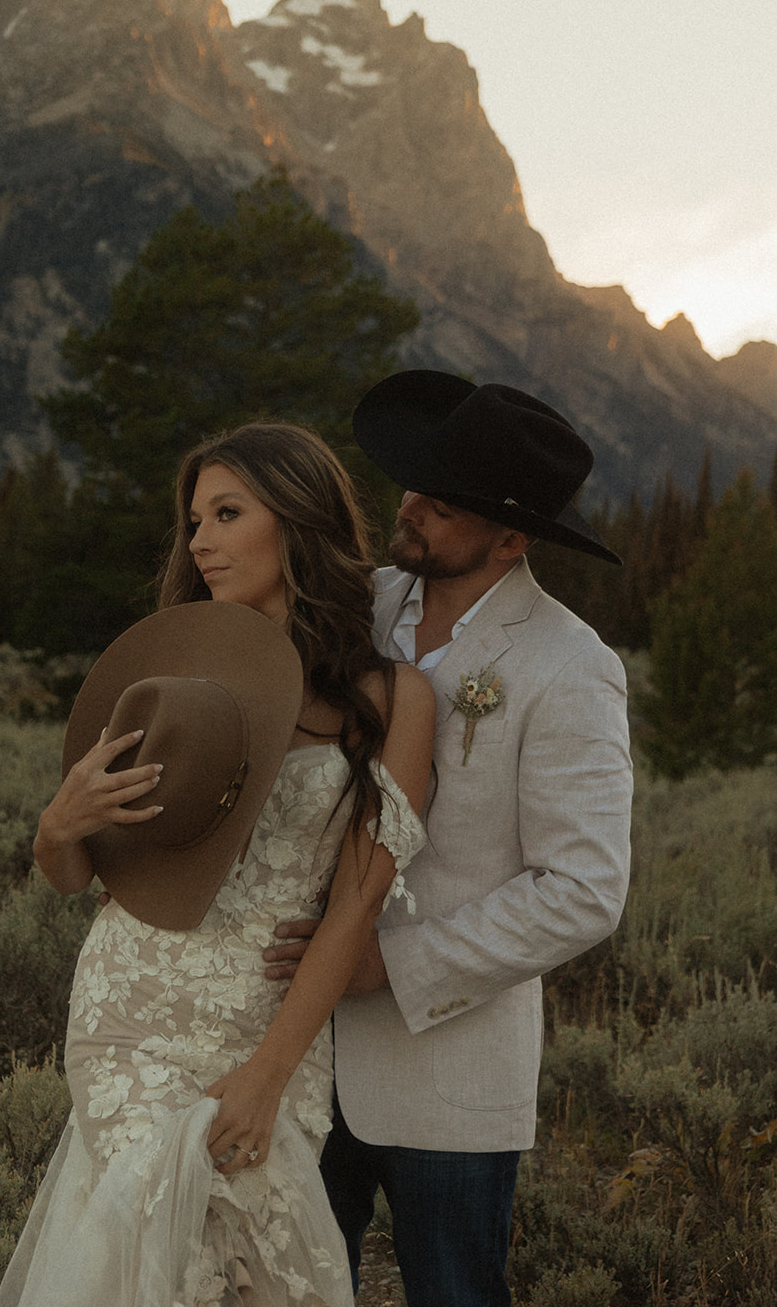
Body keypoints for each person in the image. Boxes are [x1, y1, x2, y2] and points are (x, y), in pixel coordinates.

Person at [0, 421, 435, 1307]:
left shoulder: (393, 699)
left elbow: (355, 905)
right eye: (193, 520)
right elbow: (79, 876)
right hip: (131, 1012)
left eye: (226, 513)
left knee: (250, 1279)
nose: (198, 541)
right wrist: (58, 825)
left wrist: (270, 1070)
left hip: (269, 1030)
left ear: (297, 520)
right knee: (149, 1267)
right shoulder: (181, 682)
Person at [264, 372, 634, 1307]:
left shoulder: (569, 666)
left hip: (451, 1081)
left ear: (512, 538)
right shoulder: (355, 606)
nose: (412, 507)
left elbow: (583, 888)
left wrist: (383, 964)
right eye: (414, 483)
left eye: (444, 501)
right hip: (295, 1051)